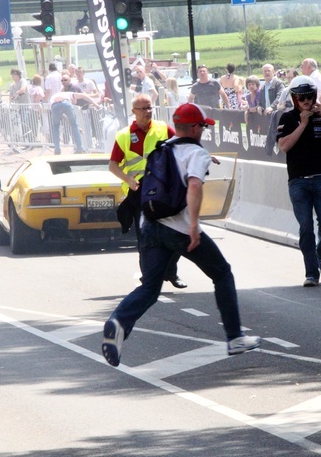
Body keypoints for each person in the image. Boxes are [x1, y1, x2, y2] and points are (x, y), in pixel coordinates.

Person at [101, 102, 261, 367]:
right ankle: (234, 337)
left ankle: (118, 322)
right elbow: (195, 185)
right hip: (179, 228)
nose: (204, 132)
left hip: (150, 224)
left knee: (150, 288)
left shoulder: (161, 148)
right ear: (196, 128)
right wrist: (193, 225)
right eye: (203, 127)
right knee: (222, 273)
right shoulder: (196, 153)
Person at [109, 93, 187, 289]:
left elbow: (183, 146)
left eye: (150, 107)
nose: (147, 112)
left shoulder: (163, 129)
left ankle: (171, 273)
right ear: (133, 112)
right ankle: (149, 278)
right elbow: (113, 165)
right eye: (143, 109)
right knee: (145, 239)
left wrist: (202, 155)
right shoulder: (124, 136)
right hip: (139, 195)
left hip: (164, 192)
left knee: (177, 234)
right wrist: (128, 179)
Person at [276, 75, 321, 287]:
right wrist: (302, 123)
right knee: (306, 227)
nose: (306, 101)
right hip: (298, 181)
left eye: (309, 97)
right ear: (295, 99)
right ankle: (311, 273)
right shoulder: (287, 118)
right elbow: (284, 146)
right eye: (301, 97)